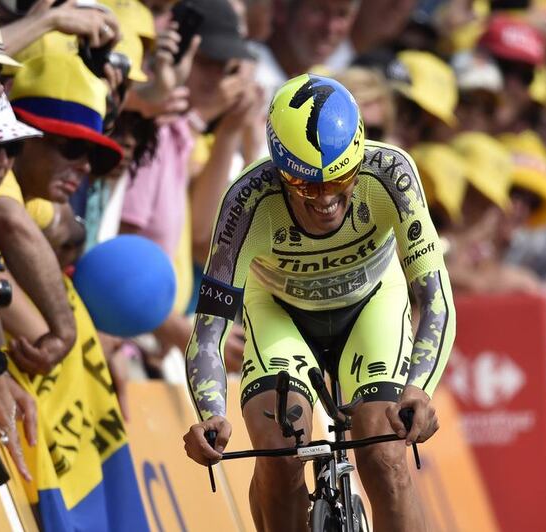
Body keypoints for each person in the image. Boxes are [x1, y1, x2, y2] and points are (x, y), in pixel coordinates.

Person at [182, 74, 455, 531]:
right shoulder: (246, 202)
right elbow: (208, 334)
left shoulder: (392, 174)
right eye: (305, 185)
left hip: (371, 305)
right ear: (278, 169)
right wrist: (211, 414)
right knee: (279, 449)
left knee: (385, 454)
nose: (326, 198)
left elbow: (434, 300)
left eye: (341, 179)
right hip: (279, 313)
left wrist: (420, 388)